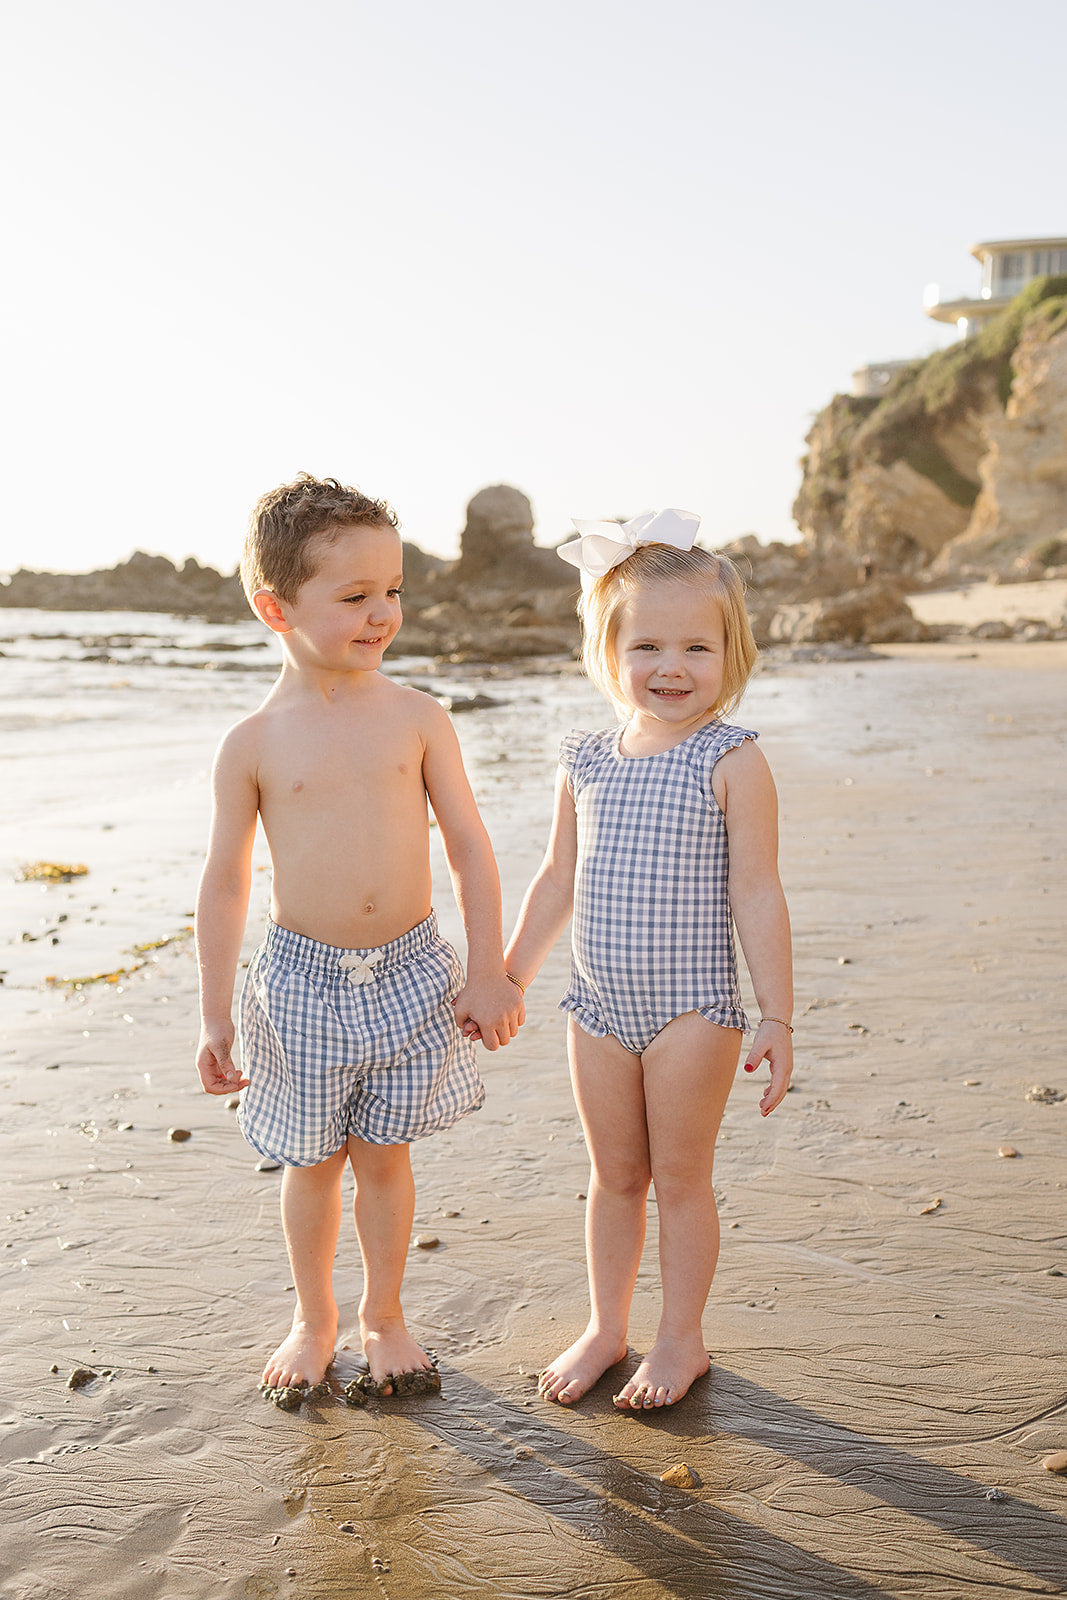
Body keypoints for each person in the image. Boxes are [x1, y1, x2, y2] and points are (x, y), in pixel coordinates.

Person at [194, 474, 523, 1399]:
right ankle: (315, 1318)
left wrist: (489, 970)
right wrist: (215, 1016)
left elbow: (468, 848)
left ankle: (385, 1316)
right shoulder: (253, 741)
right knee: (311, 1162)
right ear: (274, 607)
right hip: (299, 983)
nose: (383, 613)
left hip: (414, 972)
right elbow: (224, 883)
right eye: (354, 597)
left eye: (393, 591)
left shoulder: (417, 718)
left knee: (384, 1158)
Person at [504, 510, 793, 1410]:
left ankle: (681, 1338)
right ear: (609, 650)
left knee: (678, 1179)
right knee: (613, 1177)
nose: (673, 667)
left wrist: (776, 1014)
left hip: (692, 1010)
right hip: (595, 1007)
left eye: (697, 648)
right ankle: (605, 1325)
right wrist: (507, 976)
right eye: (650, 647)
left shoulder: (730, 758)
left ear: (730, 652)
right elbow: (556, 879)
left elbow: (757, 893)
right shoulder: (584, 757)